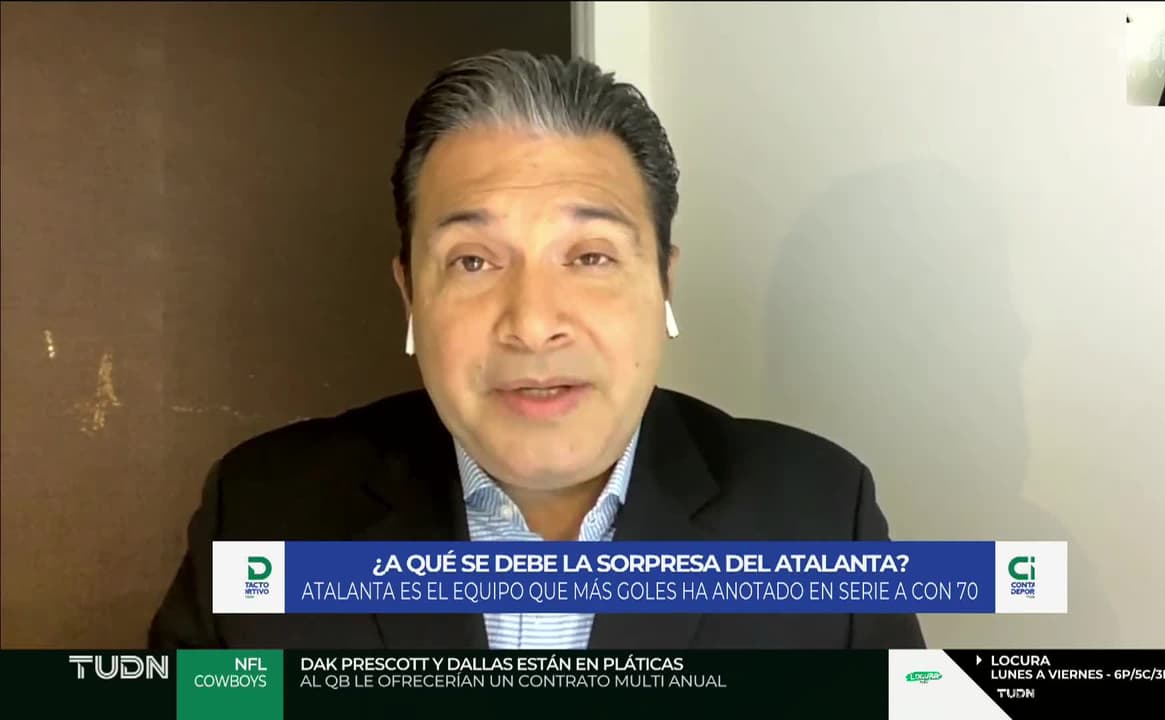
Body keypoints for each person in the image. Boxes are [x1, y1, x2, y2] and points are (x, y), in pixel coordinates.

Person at [147, 49, 926, 650]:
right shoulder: (263, 514)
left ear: (663, 284)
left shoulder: (820, 517)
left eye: (589, 257)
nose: (531, 323)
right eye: (473, 262)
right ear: (411, 295)